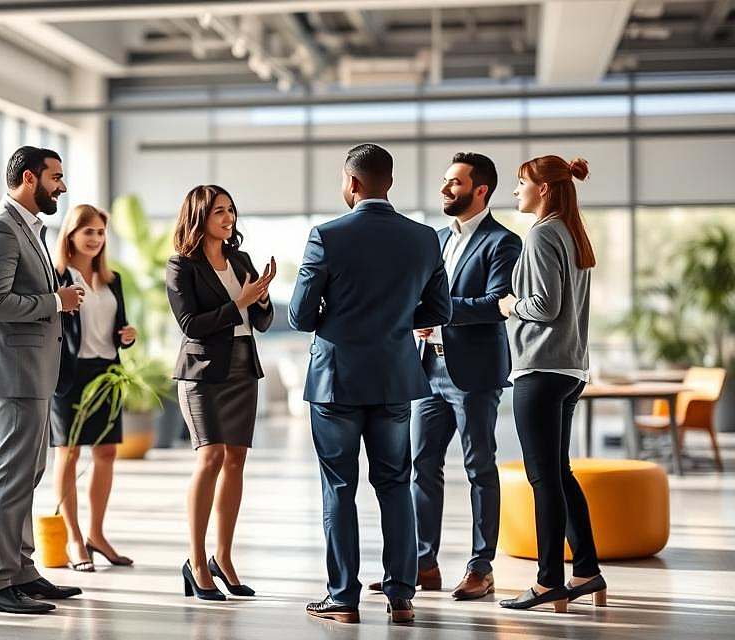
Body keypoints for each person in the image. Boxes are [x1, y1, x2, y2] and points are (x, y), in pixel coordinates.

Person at [291, 144, 451, 625]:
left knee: (340, 487)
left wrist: (336, 318)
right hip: (396, 377)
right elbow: (440, 311)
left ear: (353, 183)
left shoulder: (326, 235)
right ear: (390, 182)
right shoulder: (424, 239)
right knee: (395, 484)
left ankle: (343, 598)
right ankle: (401, 596)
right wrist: (398, 323)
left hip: (336, 381)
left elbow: (300, 315)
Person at [368, 152, 522, 600]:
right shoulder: (434, 239)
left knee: (478, 467)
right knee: (421, 466)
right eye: (444, 181)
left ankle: (481, 566)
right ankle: (424, 563)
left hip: (473, 374)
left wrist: (440, 315)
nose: (444, 189)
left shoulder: (502, 242)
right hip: (426, 367)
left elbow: (498, 303)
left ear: (481, 191)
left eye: (454, 183)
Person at [0, 146, 85, 614]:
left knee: (28, 473)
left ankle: (20, 570)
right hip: (14, 372)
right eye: (55, 177)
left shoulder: (28, 227)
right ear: (29, 178)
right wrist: (56, 302)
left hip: (32, 372)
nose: (62, 185)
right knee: (12, 476)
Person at [496, 155, 606, 613]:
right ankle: (586, 571)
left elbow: (543, 306)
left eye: (521, 183)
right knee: (560, 474)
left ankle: (547, 582)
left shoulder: (542, 233)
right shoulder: (571, 231)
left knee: (544, 479)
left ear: (543, 189)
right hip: (570, 369)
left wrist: (508, 306)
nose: (516, 191)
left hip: (540, 369)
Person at [165, 184, 276, 601]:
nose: (228, 218)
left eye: (231, 210)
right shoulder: (181, 266)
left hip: (243, 366)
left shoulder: (241, 259)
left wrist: (260, 300)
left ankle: (223, 558)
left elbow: (260, 322)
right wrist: (241, 301)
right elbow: (191, 324)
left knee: (236, 460)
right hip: (203, 373)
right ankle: (195, 561)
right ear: (199, 217)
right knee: (210, 456)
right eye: (218, 212)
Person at [50, 204, 138, 572]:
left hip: (107, 372)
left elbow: (119, 326)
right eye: (88, 231)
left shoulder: (111, 279)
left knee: (105, 454)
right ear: (70, 234)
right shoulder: (57, 277)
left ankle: (96, 535)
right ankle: (73, 537)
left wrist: (127, 336)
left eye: (100, 233)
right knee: (68, 453)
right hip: (68, 375)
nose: (95, 239)